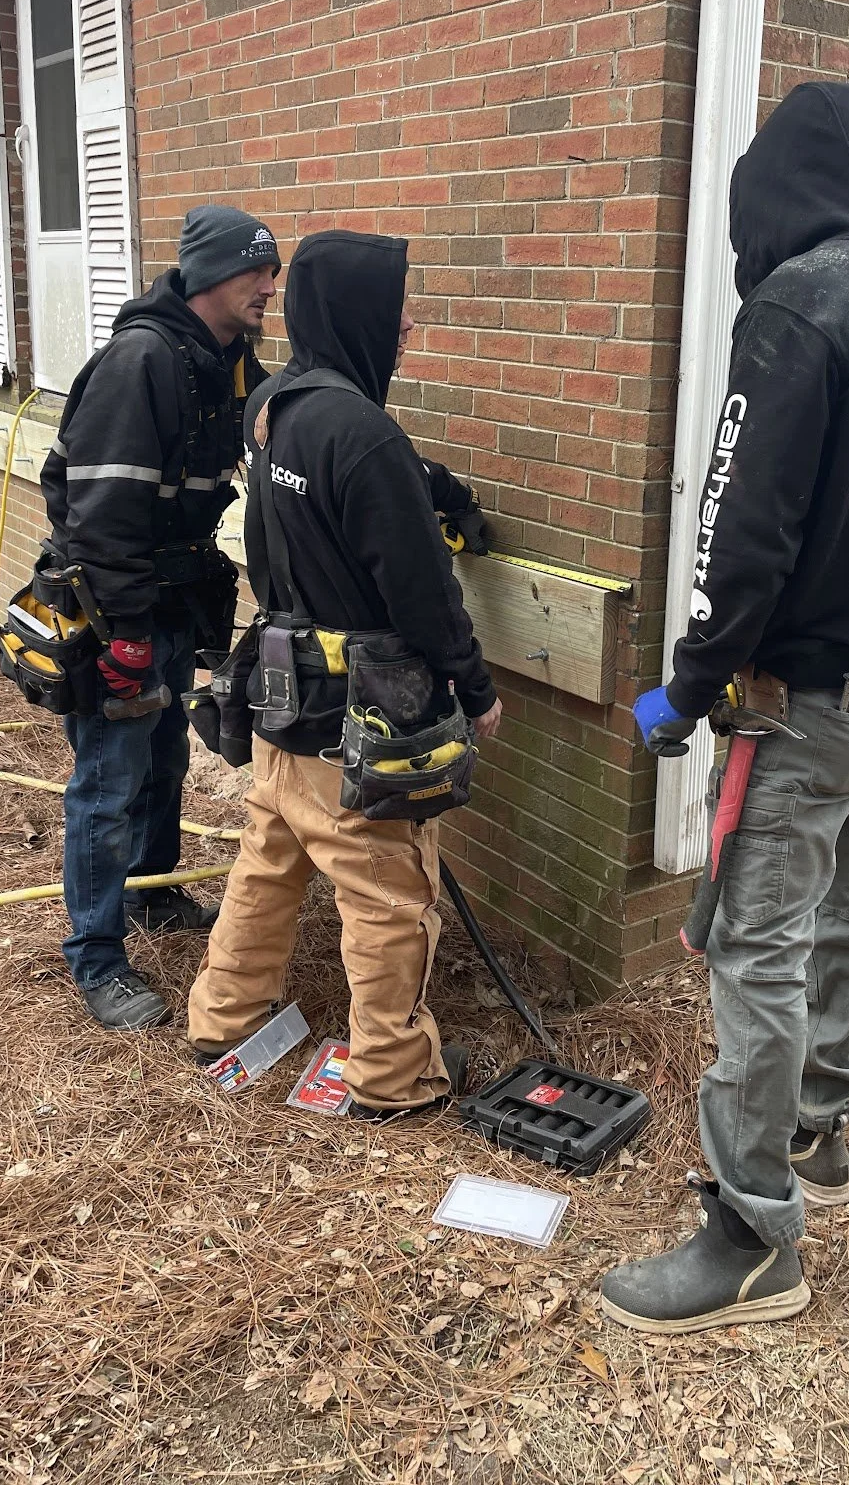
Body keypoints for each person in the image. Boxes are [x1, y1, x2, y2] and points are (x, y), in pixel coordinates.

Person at [602, 82, 849, 1333]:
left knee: (757, 940)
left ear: (774, 192)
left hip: (806, 695)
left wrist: (690, 684)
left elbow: (738, 528)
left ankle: (753, 1231)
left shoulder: (801, 304)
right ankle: (822, 1128)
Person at [187, 228, 501, 1120]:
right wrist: (476, 689)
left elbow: (362, 475)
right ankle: (395, 1075)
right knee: (387, 896)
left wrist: (439, 492)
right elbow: (423, 594)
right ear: (359, 310)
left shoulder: (280, 402)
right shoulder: (360, 431)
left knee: (268, 864)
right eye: (397, 305)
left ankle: (224, 1016)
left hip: (282, 704)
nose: (409, 322)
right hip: (357, 724)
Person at [40, 206, 280, 1030]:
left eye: (274, 271)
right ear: (211, 273)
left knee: (165, 754)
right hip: (120, 605)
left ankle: (154, 888)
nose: (269, 286)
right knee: (107, 781)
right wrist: (126, 636)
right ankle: (97, 955)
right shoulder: (140, 361)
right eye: (257, 270)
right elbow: (100, 517)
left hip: (175, 600)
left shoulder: (231, 361)